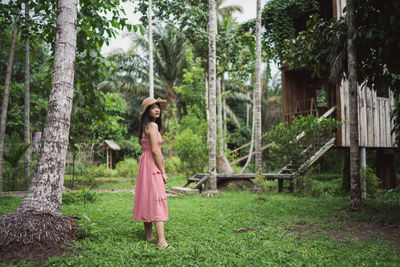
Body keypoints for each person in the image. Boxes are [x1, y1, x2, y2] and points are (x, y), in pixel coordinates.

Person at [132, 97, 171, 249]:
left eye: (158, 107)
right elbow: (155, 151)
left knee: (147, 196)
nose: (157, 109)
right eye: (152, 107)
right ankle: (161, 241)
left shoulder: (145, 126)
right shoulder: (153, 126)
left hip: (144, 164)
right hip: (152, 164)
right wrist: (163, 171)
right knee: (157, 198)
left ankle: (149, 235)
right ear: (147, 111)